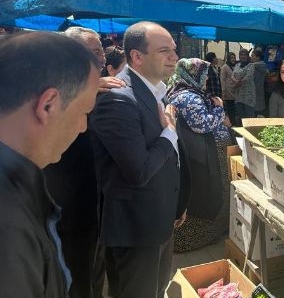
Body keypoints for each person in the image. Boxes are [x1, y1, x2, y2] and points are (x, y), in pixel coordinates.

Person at [0, 31, 100, 298]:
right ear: (48, 105)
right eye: (83, 112)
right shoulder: (9, 227)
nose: (83, 127)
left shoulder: (18, 184)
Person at [90, 21, 183, 298]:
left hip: (160, 220)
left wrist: (179, 201)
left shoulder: (158, 91)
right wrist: (169, 133)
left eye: (174, 50)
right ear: (137, 57)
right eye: (164, 51)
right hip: (136, 230)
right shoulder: (118, 99)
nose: (174, 57)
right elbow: (139, 170)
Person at [44, 27, 125, 298]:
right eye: (92, 53)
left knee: (96, 270)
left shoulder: (104, 87)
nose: (100, 58)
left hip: (100, 201)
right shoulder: (53, 89)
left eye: (100, 51)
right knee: (77, 276)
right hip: (69, 207)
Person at [167, 58, 231, 252]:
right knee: (207, 195)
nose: (205, 81)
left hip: (201, 155)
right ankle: (196, 239)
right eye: (203, 76)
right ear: (195, 75)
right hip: (205, 158)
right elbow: (202, 124)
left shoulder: (181, 91)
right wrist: (220, 109)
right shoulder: (189, 97)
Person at [232, 49, 256, 124]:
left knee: (249, 118)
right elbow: (232, 76)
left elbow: (247, 77)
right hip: (238, 96)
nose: (243, 56)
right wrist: (236, 82)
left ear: (247, 56)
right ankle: (244, 134)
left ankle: (250, 134)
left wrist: (237, 84)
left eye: (244, 55)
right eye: (241, 55)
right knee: (242, 118)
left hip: (248, 96)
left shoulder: (251, 65)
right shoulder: (237, 65)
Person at [220, 52, 237, 125]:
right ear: (228, 59)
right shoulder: (225, 67)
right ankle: (231, 125)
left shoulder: (236, 66)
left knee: (235, 110)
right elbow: (222, 80)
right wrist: (223, 92)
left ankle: (234, 124)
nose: (233, 59)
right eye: (231, 58)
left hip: (236, 91)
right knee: (230, 111)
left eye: (234, 58)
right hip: (228, 92)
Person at [250, 50, 269, 116]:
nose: (251, 57)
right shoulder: (263, 65)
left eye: (252, 56)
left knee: (255, 113)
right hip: (259, 91)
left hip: (254, 91)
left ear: (258, 57)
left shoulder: (253, 66)